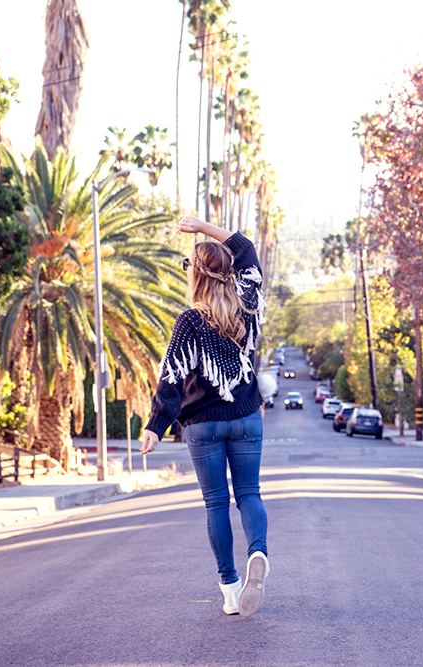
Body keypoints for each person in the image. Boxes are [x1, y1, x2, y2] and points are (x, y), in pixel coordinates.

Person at [140, 215, 270, 618]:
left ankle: (230, 588)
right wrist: (204, 228)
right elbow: (245, 249)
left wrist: (156, 426)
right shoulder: (248, 302)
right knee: (249, 495)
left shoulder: (190, 321)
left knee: (216, 503)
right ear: (230, 272)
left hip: (203, 426)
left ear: (195, 275)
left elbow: (172, 376)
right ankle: (259, 553)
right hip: (247, 417)